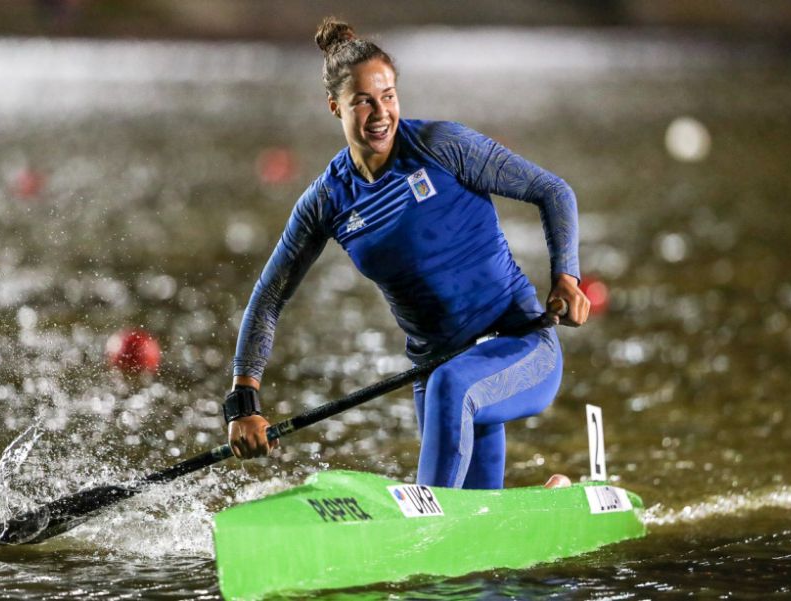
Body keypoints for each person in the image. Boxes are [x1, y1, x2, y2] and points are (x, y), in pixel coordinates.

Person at [222, 18, 589, 490]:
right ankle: (543, 503)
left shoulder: (442, 146)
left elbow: (552, 191)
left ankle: (426, 524)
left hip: (520, 345)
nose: (381, 114)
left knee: (452, 391)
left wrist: (567, 277)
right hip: (436, 368)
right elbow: (269, 298)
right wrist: (244, 403)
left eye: (389, 96)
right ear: (335, 106)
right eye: (363, 101)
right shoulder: (327, 201)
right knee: (472, 524)